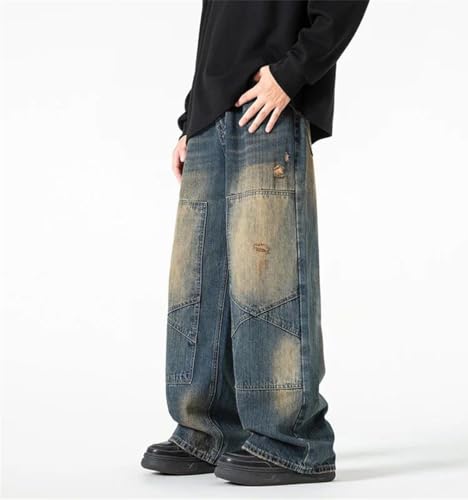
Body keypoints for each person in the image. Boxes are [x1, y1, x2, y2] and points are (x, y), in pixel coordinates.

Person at [141, 0, 369, 486]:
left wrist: (291, 75)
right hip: (210, 115)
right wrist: (191, 118)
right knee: (196, 286)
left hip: (268, 102)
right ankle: (208, 430)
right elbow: (217, 25)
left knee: (267, 280)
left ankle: (294, 443)